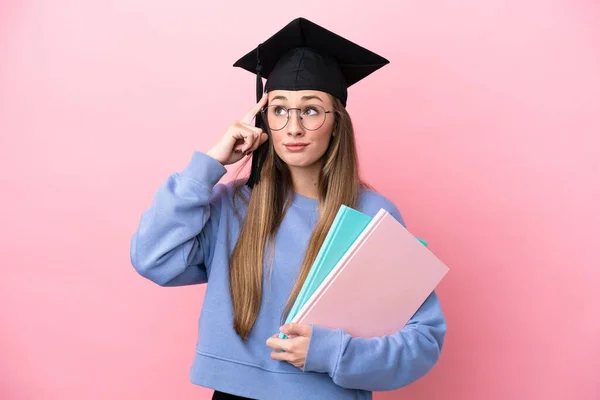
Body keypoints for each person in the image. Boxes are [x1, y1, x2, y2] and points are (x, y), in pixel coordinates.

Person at [130, 17, 446, 400]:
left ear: (336, 123)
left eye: (311, 110)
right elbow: (153, 259)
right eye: (279, 110)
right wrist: (209, 166)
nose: (293, 127)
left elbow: (422, 339)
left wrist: (331, 352)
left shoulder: (372, 213)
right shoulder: (233, 204)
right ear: (264, 120)